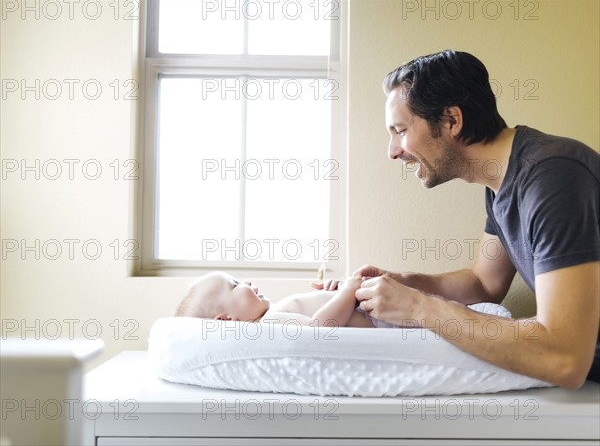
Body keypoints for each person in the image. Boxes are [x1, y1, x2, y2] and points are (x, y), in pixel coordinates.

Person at [353, 50, 600, 388]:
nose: (392, 151)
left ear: (452, 120)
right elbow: (484, 283)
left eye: (400, 130)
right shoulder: (500, 183)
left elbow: (565, 356)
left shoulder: (552, 177)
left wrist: (417, 307)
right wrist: (403, 281)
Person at [175, 271, 374, 327]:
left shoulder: (272, 313)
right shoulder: (270, 322)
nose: (247, 282)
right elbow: (319, 328)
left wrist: (337, 291)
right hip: (379, 319)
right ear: (226, 319)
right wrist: (348, 291)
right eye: (235, 285)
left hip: (369, 307)